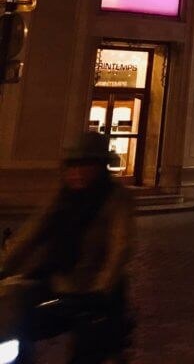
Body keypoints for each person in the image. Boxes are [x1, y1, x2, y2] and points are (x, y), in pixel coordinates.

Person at [0, 131, 135, 363]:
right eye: (72, 167)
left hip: (97, 292)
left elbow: (120, 247)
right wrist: (5, 266)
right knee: (14, 322)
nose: (78, 173)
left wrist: (101, 289)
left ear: (101, 168)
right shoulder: (61, 196)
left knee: (92, 349)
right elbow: (31, 233)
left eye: (86, 166)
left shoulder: (115, 198)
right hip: (56, 280)